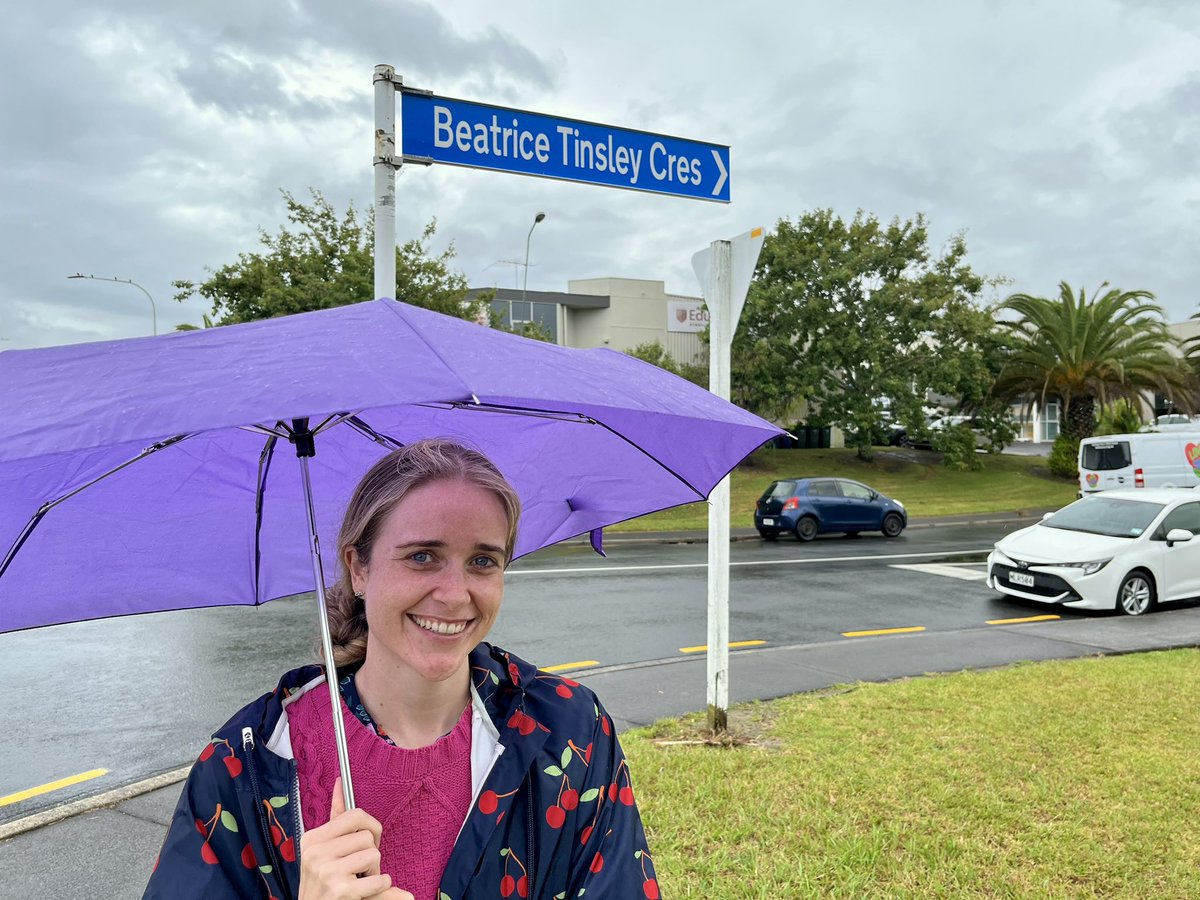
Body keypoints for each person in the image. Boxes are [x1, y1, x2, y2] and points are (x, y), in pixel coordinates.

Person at [145, 438, 659, 900]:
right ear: (358, 568)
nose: (455, 595)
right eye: (421, 556)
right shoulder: (244, 763)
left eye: (483, 561)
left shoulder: (570, 732)